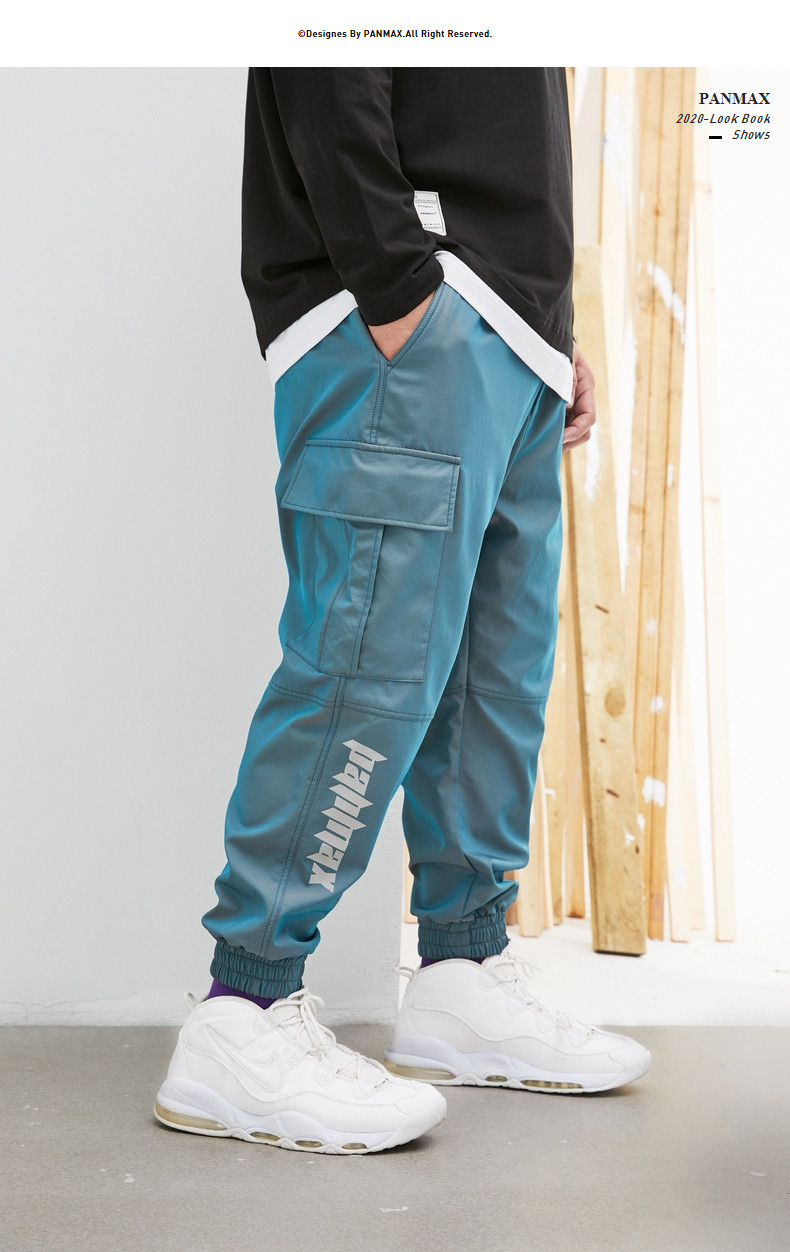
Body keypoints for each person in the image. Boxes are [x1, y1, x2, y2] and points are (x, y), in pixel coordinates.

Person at [154, 68, 650, 1155]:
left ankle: (463, 970)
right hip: (409, 311)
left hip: (507, 329)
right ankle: (243, 1007)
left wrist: (544, 326)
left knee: (494, 671)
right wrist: (397, 288)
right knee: (366, 672)